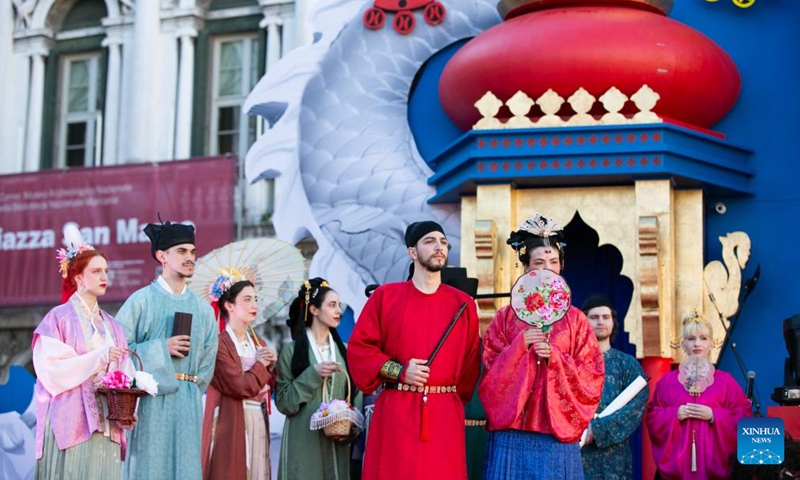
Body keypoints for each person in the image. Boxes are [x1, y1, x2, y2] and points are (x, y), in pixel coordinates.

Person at [347, 220, 481, 480]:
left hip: (444, 414)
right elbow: (359, 349)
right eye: (429, 241)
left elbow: (469, 365)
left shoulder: (462, 305)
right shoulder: (385, 297)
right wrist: (399, 371)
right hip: (397, 412)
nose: (439, 247)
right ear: (412, 251)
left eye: (443, 242)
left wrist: (446, 397)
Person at [479, 213, 604, 480]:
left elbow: (592, 374)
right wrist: (519, 346)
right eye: (539, 262)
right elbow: (490, 373)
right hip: (513, 430)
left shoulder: (576, 320)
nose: (547, 268)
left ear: (561, 266)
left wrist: (556, 358)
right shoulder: (505, 317)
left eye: (553, 261)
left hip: (556, 433)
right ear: (525, 267)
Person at [115, 220, 219, 480]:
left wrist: (189, 388)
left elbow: (207, 363)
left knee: (186, 471)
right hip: (149, 403)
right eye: (182, 251)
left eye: (193, 252)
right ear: (162, 256)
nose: (191, 258)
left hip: (188, 402)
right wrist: (162, 349)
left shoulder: (204, 310)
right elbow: (118, 354)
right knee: (150, 470)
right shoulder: (140, 301)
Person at [32, 243, 134, 479]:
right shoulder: (58, 318)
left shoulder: (113, 325)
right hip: (71, 418)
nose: (104, 276)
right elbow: (52, 370)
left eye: (106, 271)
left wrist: (135, 384)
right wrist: (99, 357)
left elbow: (125, 370)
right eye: (96, 271)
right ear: (78, 277)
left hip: (109, 418)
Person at [646, 310, 751, 479]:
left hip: (713, 467)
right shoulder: (667, 382)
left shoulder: (726, 382)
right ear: (683, 344)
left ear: (712, 343)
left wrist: (714, 415)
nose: (697, 344)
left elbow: (743, 416)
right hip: (677, 468)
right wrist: (674, 415)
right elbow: (652, 416)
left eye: (703, 338)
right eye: (691, 339)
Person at [275, 277, 363, 480]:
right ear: (314, 310)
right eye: (332, 305)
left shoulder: (346, 350)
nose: (338, 311)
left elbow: (356, 393)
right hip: (303, 441)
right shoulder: (292, 351)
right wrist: (312, 375)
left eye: (339, 306)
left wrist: (352, 427)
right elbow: (284, 403)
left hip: (337, 442)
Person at [201, 279, 278, 480]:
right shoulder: (219, 344)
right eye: (247, 299)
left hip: (258, 418)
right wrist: (261, 366)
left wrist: (273, 366)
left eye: (255, 299)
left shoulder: (258, 343)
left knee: (258, 471)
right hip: (232, 419)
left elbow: (269, 384)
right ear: (229, 305)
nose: (254, 305)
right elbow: (238, 386)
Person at [579, 293, 648, 480]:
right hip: (577, 450)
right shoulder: (571, 362)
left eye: (605, 317)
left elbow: (635, 407)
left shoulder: (627, 364)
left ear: (613, 321)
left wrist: (598, 429)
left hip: (615, 456)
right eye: (594, 317)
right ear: (584, 322)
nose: (600, 322)